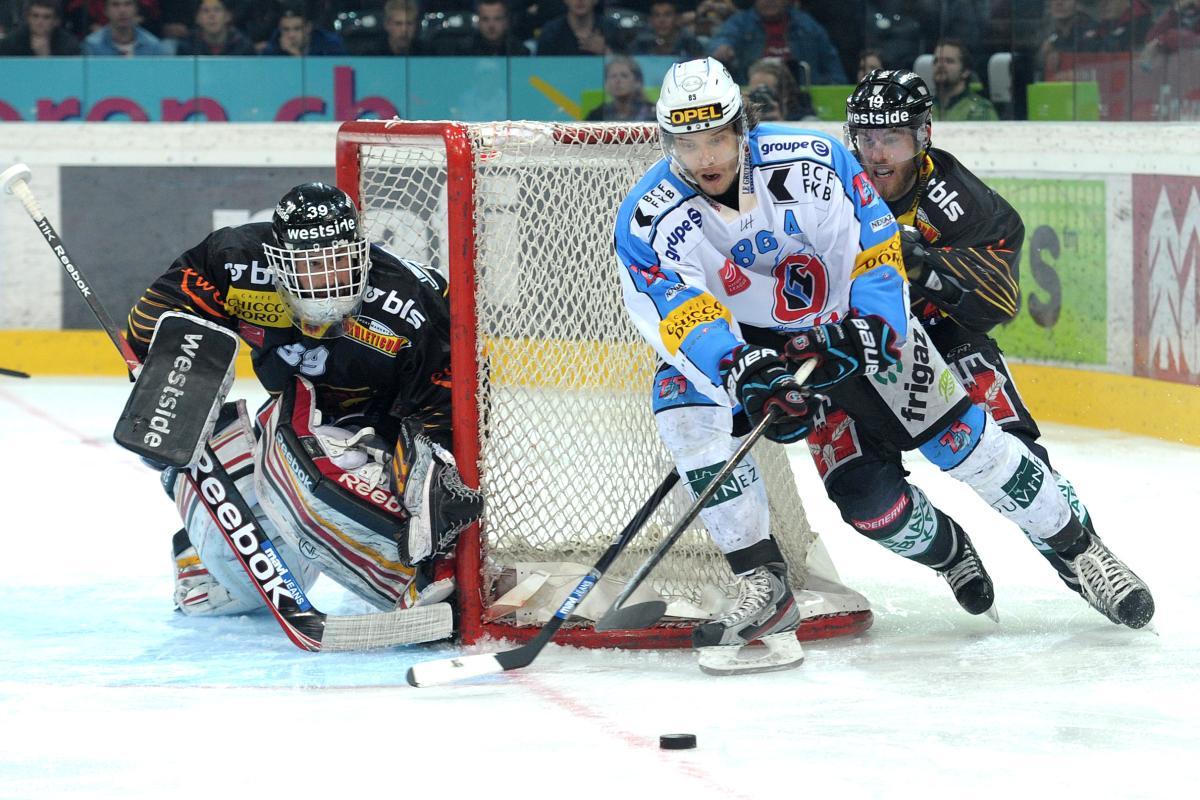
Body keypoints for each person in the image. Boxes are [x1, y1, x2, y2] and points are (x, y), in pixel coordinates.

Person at [613, 58, 1153, 672]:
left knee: (966, 444)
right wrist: (741, 367)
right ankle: (761, 580)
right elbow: (674, 310)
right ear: (666, 142)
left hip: (853, 323)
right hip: (756, 347)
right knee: (681, 403)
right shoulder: (647, 215)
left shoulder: (812, 161)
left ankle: (1079, 549)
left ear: (743, 128)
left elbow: (874, 249)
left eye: (716, 138)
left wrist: (869, 329)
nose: (705, 158)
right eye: (687, 143)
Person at [845, 67, 1154, 627]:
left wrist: (926, 266)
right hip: (860, 351)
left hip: (943, 334)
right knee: (865, 500)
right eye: (866, 137)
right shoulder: (831, 187)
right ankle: (948, 552)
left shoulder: (958, 201)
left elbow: (995, 304)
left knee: (1019, 456)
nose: (877, 154)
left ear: (923, 136)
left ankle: (1079, 555)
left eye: (892, 138)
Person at [125, 182, 481, 620]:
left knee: (346, 472)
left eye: (339, 261)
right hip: (293, 418)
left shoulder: (410, 303)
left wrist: (426, 472)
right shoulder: (235, 262)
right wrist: (161, 375)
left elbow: (446, 405)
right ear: (278, 260)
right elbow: (163, 313)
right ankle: (197, 546)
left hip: (378, 430)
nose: (327, 278)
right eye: (310, 265)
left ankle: (412, 577)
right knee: (242, 579)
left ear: (360, 251)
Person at [708, 0, 846, 85]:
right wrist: (722, 48)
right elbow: (722, 39)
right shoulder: (740, 23)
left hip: (799, 100)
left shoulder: (808, 26)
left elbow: (834, 71)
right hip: (750, 95)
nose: (770, 0)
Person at [931, 38, 999, 121]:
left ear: (965, 71)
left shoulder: (980, 109)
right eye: (936, 61)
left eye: (949, 61)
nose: (940, 65)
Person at [82, 0, 170, 54]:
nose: (122, 11)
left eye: (128, 4)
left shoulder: (153, 46)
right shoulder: (92, 46)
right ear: (105, 11)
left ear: (136, 9)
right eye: (115, 4)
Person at [447, 0, 530, 56]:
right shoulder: (463, 50)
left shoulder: (518, 51)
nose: (491, 25)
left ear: (506, 22)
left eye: (497, 19)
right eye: (485, 19)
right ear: (478, 22)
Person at [535, 0, 619, 56]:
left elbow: (626, 67)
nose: (580, 1)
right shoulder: (551, 32)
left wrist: (605, 51)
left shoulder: (610, 29)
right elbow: (541, 68)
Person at [585, 54, 655, 121]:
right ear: (606, 83)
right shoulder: (596, 116)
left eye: (624, 76)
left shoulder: (653, 113)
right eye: (613, 76)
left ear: (637, 82)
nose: (618, 81)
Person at [262, 0, 345, 56]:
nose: (291, 35)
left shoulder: (329, 44)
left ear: (308, 27)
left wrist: (296, 55)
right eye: (286, 29)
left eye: (297, 28)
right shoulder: (274, 45)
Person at [0, 0, 81, 55]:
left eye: (46, 17)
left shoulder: (69, 44)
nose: (40, 21)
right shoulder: (12, 42)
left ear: (56, 21)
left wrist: (45, 56)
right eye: (35, 16)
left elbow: (68, 74)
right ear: (28, 18)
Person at [629, 0, 704, 59]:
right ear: (651, 20)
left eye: (667, 15)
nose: (661, 20)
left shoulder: (690, 44)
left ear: (677, 18)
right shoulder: (640, 44)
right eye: (657, 15)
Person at [174, 0, 254, 56]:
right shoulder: (187, 47)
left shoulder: (243, 47)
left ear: (228, 16)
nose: (211, 15)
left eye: (217, 10)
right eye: (205, 11)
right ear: (197, 18)